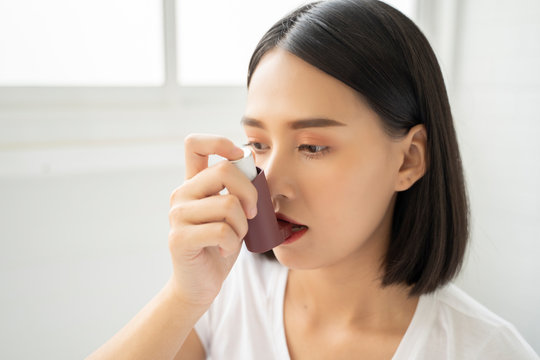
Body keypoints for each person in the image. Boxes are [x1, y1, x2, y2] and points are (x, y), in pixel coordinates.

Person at [88, 0, 539, 359]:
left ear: (408, 160)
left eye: (313, 146)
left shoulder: (486, 350)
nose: (272, 184)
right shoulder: (226, 299)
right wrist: (183, 297)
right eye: (258, 144)